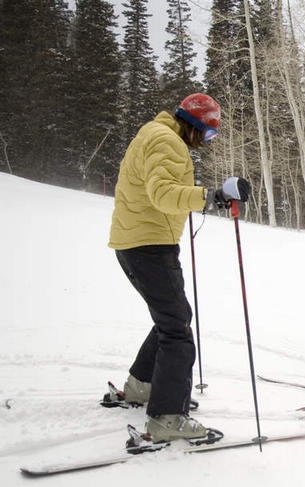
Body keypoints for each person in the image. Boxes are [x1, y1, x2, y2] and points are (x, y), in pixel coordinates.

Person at [107, 93, 250, 442]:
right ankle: (167, 418)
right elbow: (162, 193)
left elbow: (158, 191)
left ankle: (143, 385)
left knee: (174, 317)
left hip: (137, 242)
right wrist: (210, 196)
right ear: (195, 125)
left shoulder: (155, 134)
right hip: (148, 246)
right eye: (209, 134)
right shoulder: (167, 141)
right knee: (177, 333)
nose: (207, 142)